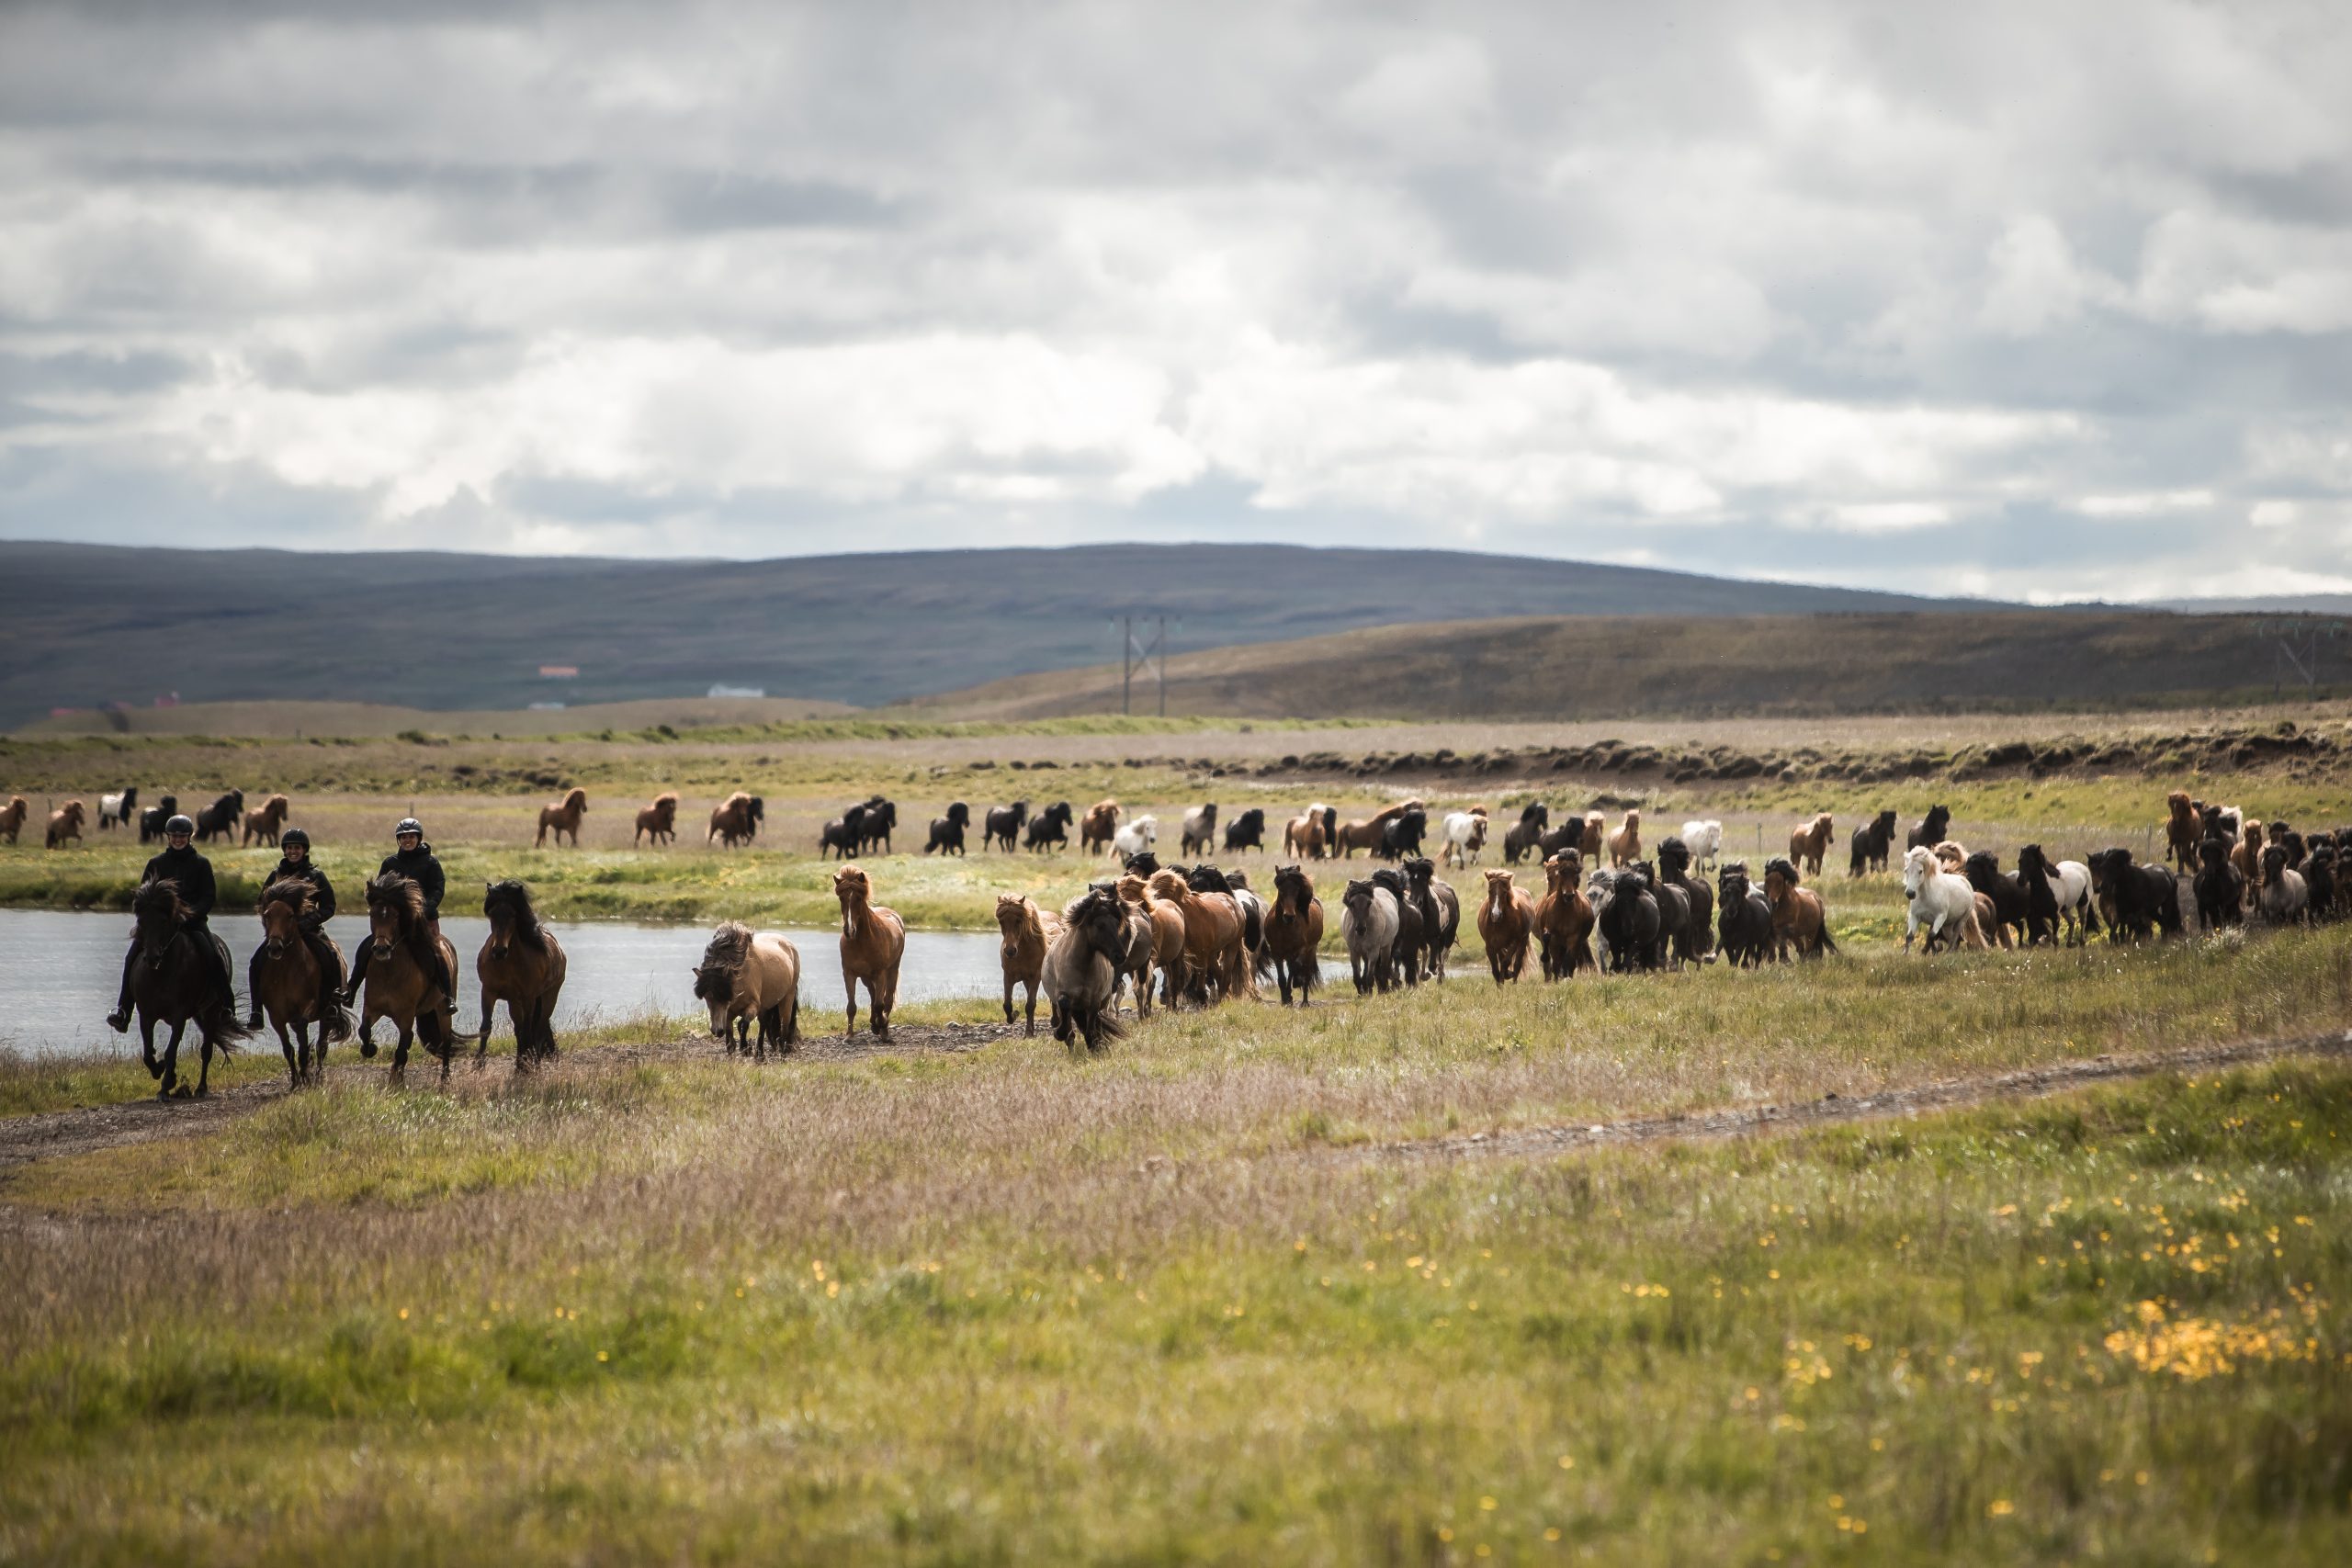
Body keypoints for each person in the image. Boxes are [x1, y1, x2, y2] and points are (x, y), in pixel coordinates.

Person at [107, 813, 234, 1031]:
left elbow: (208, 896)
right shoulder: (156, 863)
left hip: (192, 923)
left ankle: (227, 1007)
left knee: (212, 955)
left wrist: (189, 914)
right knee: (131, 957)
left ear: (189, 836)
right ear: (168, 837)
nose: (178, 839)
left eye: (182, 836)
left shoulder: (201, 864)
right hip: (158, 926)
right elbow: (143, 895)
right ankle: (123, 1010)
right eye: (174, 836)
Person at [344, 817, 456, 1014]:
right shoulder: (390, 863)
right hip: (393, 923)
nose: (407, 840)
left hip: (423, 920)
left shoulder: (431, 863)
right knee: (365, 947)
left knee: (435, 953)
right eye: (403, 837)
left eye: (411, 837)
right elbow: (379, 889)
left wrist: (423, 910)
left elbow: (437, 890)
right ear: (398, 840)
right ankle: (350, 991)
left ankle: (447, 997)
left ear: (419, 838)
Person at [247, 827, 347, 1034]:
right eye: (290, 848)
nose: (293, 851)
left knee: (330, 955)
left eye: (297, 848)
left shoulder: (315, 875)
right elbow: (262, 904)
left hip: (309, 932)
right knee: (255, 962)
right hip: (281, 933)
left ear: (304, 850)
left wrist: (306, 923)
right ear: (284, 850)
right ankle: (256, 1010)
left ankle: (334, 1003)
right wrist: (273, 926)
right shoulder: (275, 876)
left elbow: (329, 907)